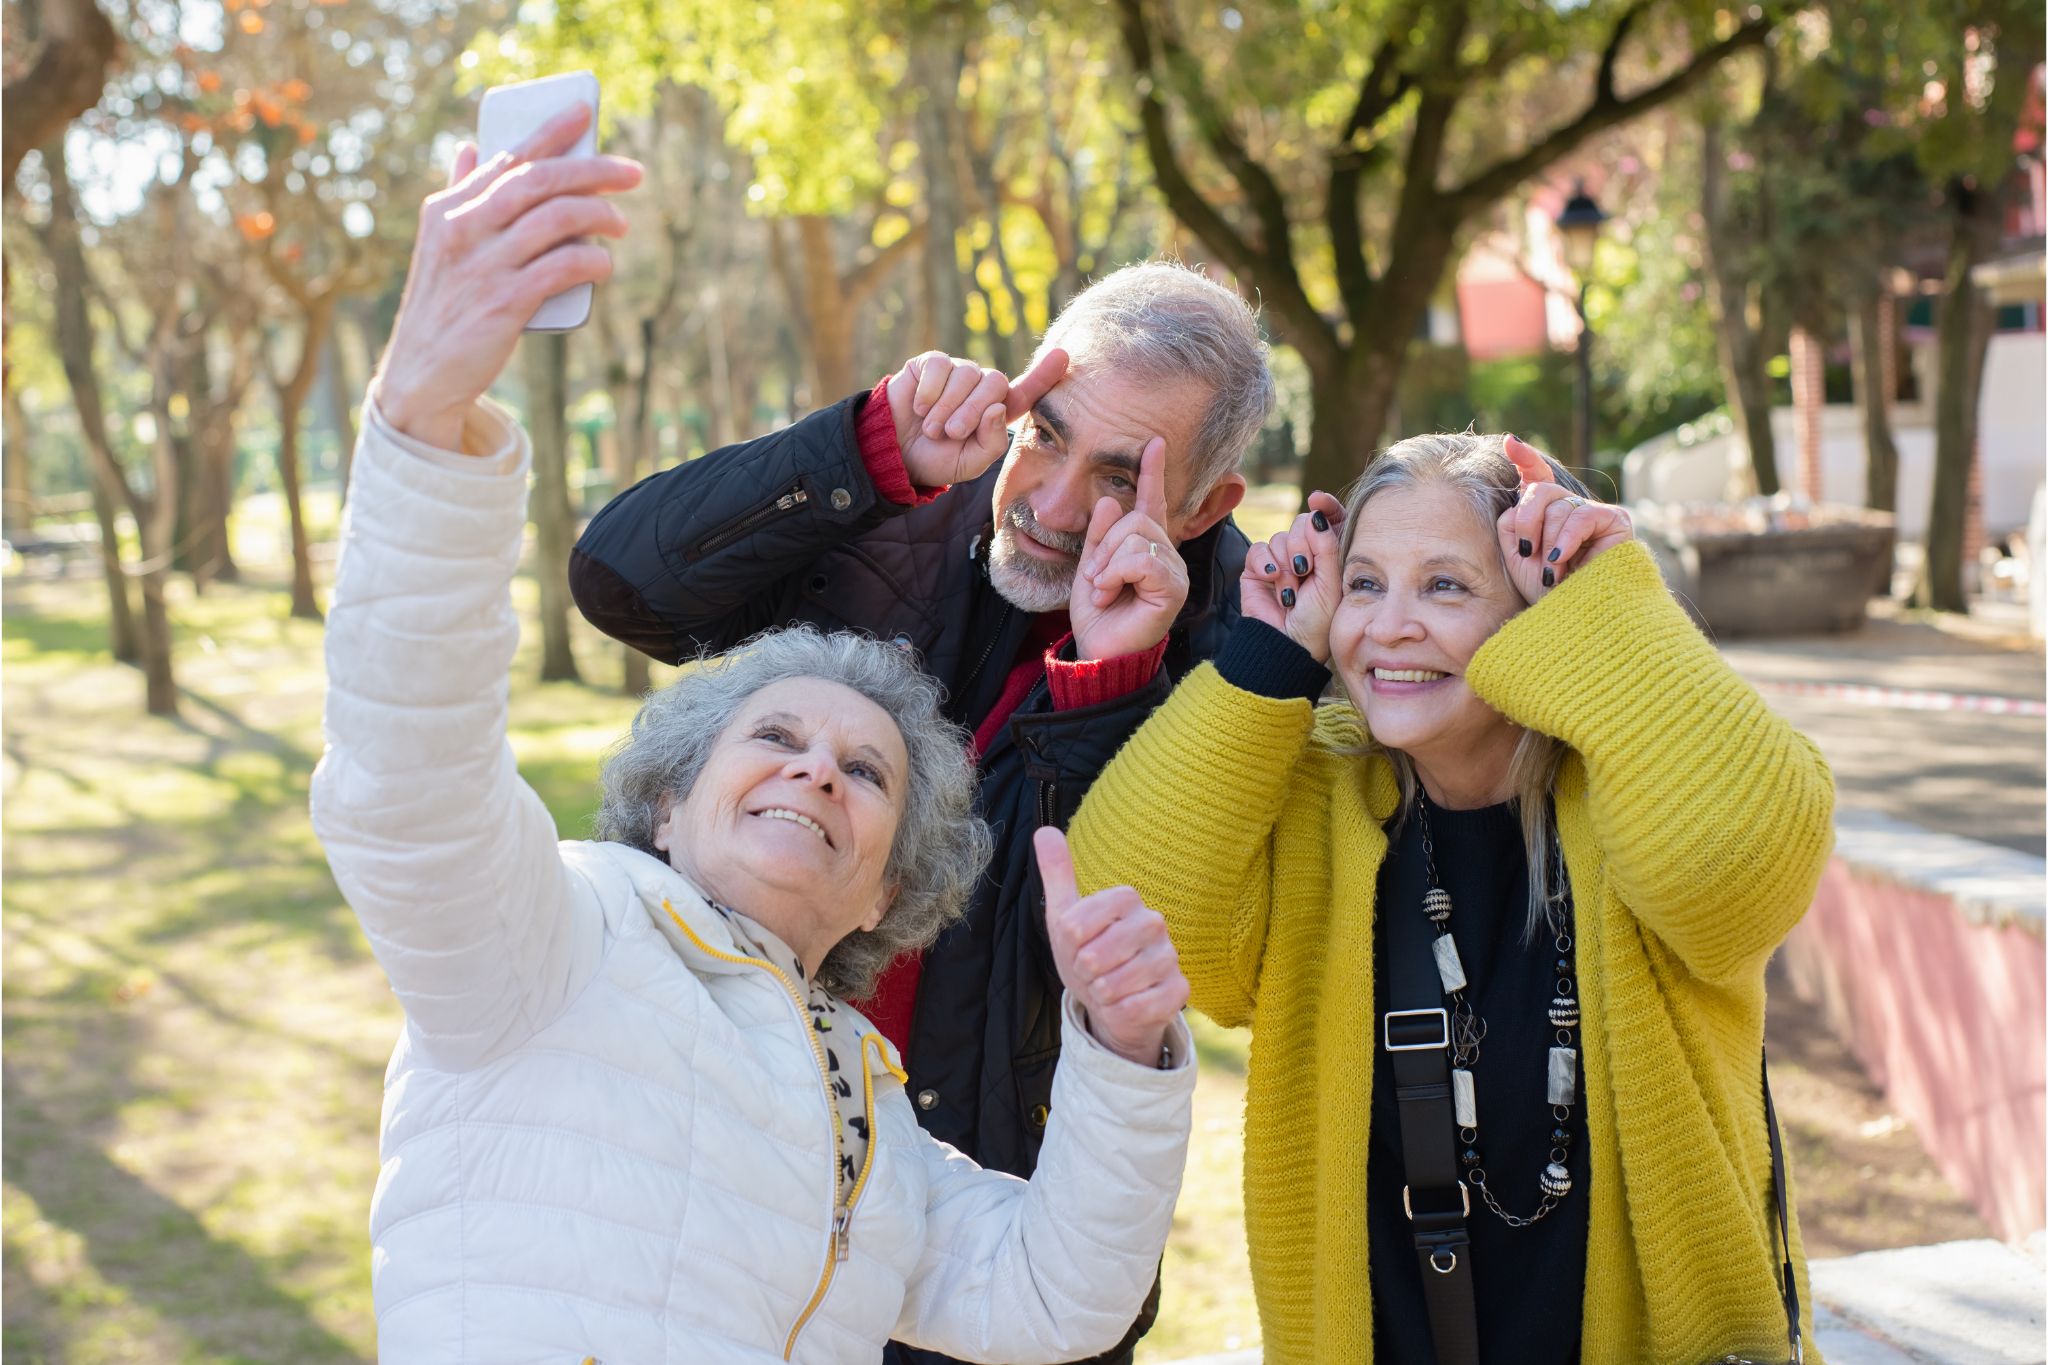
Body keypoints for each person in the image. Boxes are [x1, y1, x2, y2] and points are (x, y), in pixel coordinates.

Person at [315, 104, 1198, 1363]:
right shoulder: (554, 944)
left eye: (864, 771)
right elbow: (404, 783)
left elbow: (1055, 1298)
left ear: (893, 884)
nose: (813, 771)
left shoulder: (869, 1115)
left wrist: (1122, 1053)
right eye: (773, 735)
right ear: (668, 803)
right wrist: (421, 413)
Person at [570, 231, 1273, 1362]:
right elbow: (619, 584)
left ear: (1202, 505)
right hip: (728, 1163)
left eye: (1115, 477)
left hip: (984, 1238)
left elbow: (1091, 937)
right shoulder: (900, 501)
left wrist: (1105, 684)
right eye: (1045, 432)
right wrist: (863, 446)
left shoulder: (1242, 651)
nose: (1046, 501)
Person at [1064, 431, 1837, 1364]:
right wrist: (1269, 655)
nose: (1389, 625)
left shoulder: (1636, 791)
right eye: (1365, 584)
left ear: (1535, 612)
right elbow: (1129, 913)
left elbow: (1740, 869)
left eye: (1444, 585)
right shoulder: (1318, 795)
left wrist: (1611, 603)